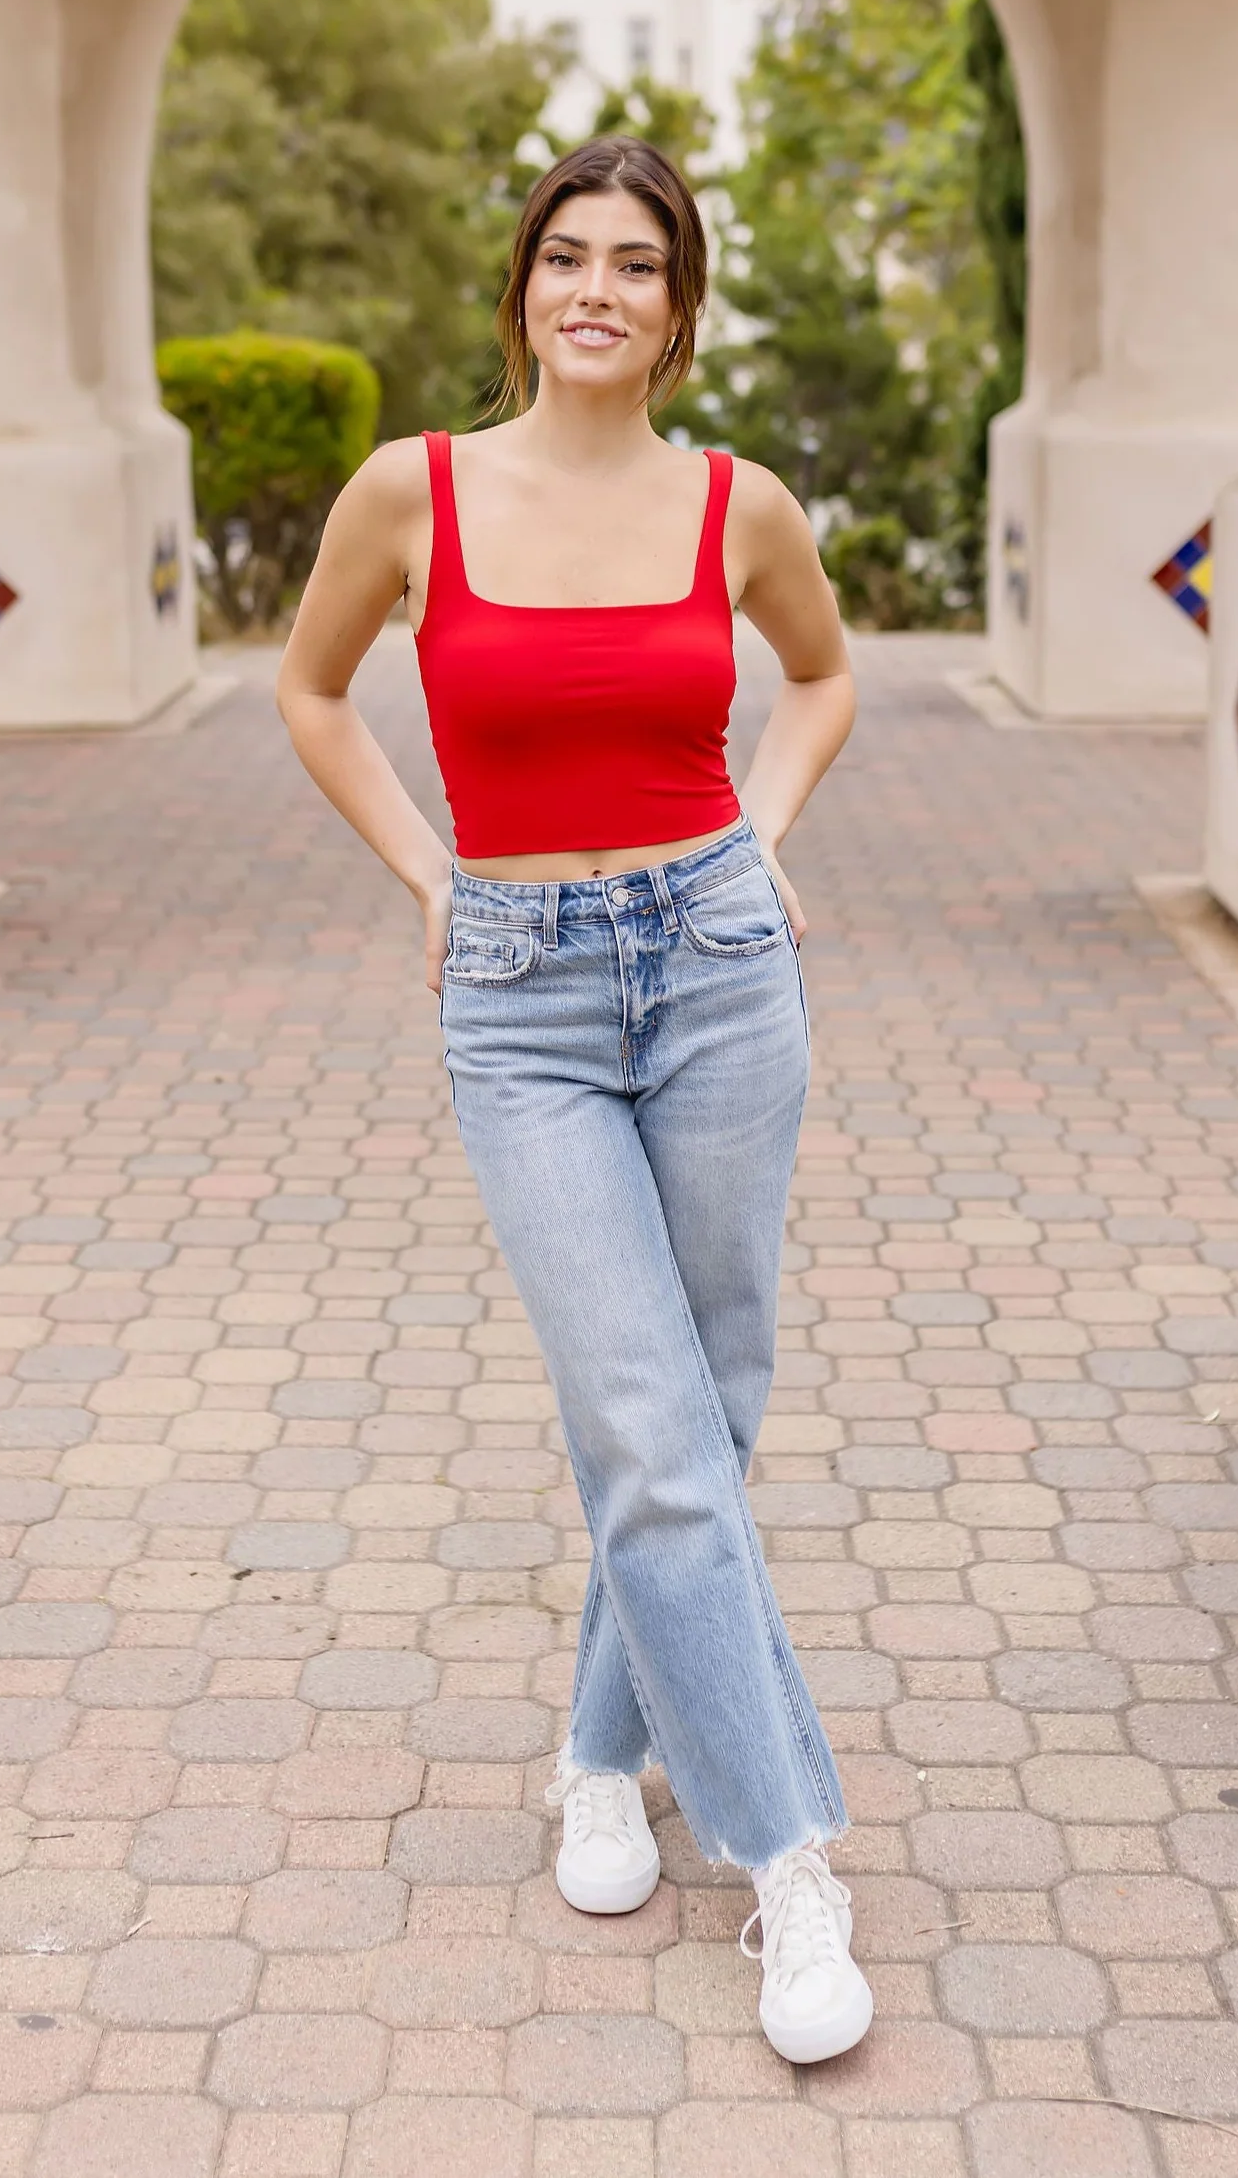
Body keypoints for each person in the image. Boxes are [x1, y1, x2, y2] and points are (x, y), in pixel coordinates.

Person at [276, 135, 871, 2066]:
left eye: (634, 262)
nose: (594, 286)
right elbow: (307, 693)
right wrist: (433, 872)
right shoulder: (416, 493)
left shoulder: (740, 503)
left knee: (711, 1394)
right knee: (648, 1414)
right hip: (519, 999)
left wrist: (761, 834)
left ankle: (606, 1751)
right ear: (523, 291)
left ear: (678, 312)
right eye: (564, 256)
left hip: (718, 962)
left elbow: (824, 679)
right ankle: (792, 1858)